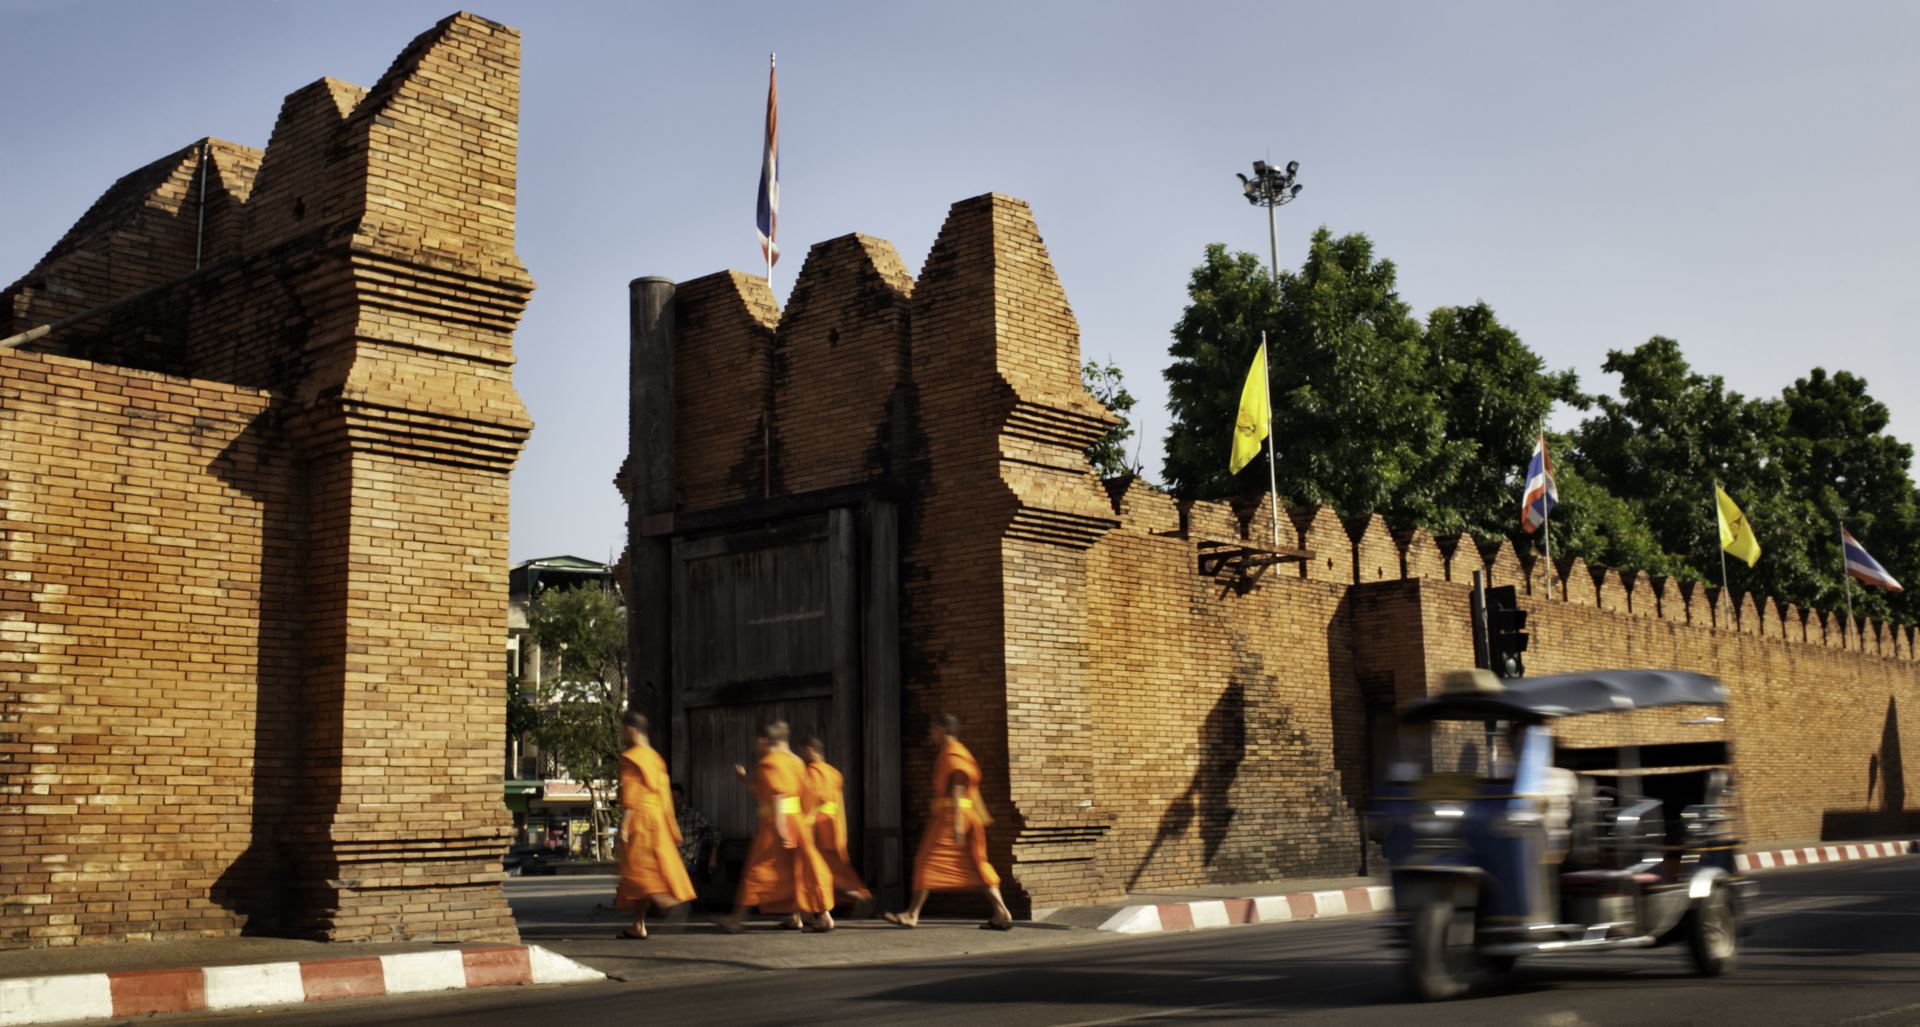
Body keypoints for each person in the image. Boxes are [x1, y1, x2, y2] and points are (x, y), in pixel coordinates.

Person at [884, 713, 1014, 931]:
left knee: (926, 861)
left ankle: (912, 914)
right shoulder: (956, 752)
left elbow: (958, 787)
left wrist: (955, 824)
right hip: (963, 815)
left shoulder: (953, 754)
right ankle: (1002, 912)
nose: (931, 733)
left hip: (953, 816)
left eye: (933, 729)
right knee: (977, 863)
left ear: (942, 729)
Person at [721, 721, 835, 932]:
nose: (755, 746)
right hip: (797, 821)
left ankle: (736, 919)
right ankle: (815, 916)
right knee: (802, 869)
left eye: (756, 741)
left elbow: (778, 794)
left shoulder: (771, 762)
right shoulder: (797, 762)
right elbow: (806, 794)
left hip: (776, 823)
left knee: (758, 869)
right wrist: (746, 780)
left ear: (765, 741)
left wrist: (782, 826)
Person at [612, 711, 694, 940]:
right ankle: (638, 925)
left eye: (622, 729)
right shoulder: (655, 758)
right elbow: (663, 794)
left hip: (641, 819)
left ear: (630, 730)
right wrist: (670, 823)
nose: (621, 734)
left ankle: (669, 902)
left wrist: (624, 826)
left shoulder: (632, 758)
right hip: (658, 818)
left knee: (638, 873)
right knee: (643, 872)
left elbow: (632, 795)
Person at [800, 736, 871, 906]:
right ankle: (800, 915)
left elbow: (813, 800)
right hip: (833, 826)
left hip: (818, 827)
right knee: (828, 870)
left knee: (820, 871)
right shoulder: (834, 773)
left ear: (810, 750)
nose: (802, 755)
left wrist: (804, 824)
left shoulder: (813, 772)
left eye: (803, 751)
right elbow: (837, 804)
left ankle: (861, 897)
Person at [671, 782, 721, 882]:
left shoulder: (693, 816)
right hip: (669, 864)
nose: (675, 801)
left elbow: (715, 832)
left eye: (677, 798)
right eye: (671, 798)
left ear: (682, 798)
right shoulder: (665, 817)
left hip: (687, 864)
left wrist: (713, 856)